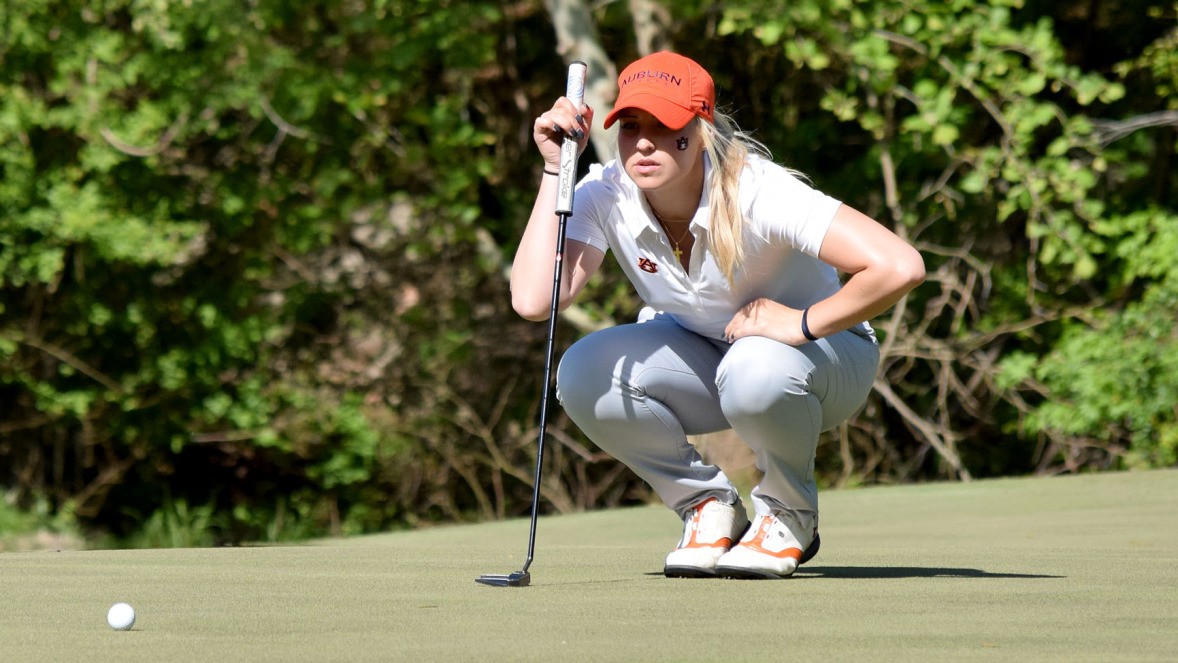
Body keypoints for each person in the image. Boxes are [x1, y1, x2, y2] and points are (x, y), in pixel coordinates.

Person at [510, 51, 925, 579]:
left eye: (664, 127)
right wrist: (554, 169)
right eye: (631, 125)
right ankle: (706, 506)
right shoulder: (605, 192)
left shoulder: (758, 189)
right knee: (585, 372)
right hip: (714, 359)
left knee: (755, 364)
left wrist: (798, 324)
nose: (643, 142)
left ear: (700, 129)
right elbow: (534, 299)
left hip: (824, 361)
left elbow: (899, 266)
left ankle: (788, 513)